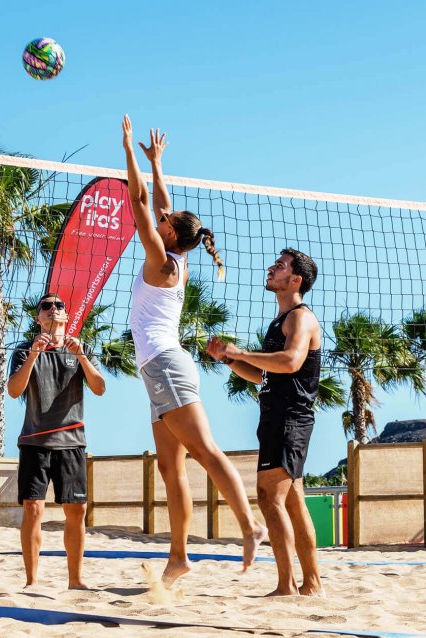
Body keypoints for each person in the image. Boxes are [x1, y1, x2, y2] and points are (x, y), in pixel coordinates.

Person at [122, 115, 267, 586]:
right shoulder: (175, 250)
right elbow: (160, 203)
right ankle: (179, 557)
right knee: (170, 467)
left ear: (167, 233)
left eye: (164, 222)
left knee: (204, 450)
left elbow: (141, 201)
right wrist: (159, 162)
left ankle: (250, 527)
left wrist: (127, 150)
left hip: (166, 364)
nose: (161, 218)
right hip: (159, 368)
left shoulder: (162, 261)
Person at [207, 249, 324, 596]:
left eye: (281, 265)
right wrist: (230, 360)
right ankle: (311, 583)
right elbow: (263, 375)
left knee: (268, 498)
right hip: (278, 415)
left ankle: (286, 585)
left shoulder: (301, 318)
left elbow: (289, 361)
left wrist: (241, 351)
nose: (272, 268)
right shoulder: (281, 320)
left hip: (289, 418)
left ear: (296, 280)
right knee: (292, 501)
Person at [7, 293, 105, 590]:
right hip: (35, 440)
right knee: (33, 509)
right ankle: (32, 581)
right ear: (38, 318)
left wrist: (82, 357)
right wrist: (35, 354)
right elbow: (13, 391)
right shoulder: (24, 350)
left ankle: (75, 580)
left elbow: (100, 388)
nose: (53, 309)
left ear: (66, 315)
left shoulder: (81, 348)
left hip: (72, 441)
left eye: (59, 305)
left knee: (76, 512)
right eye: (46, 306)